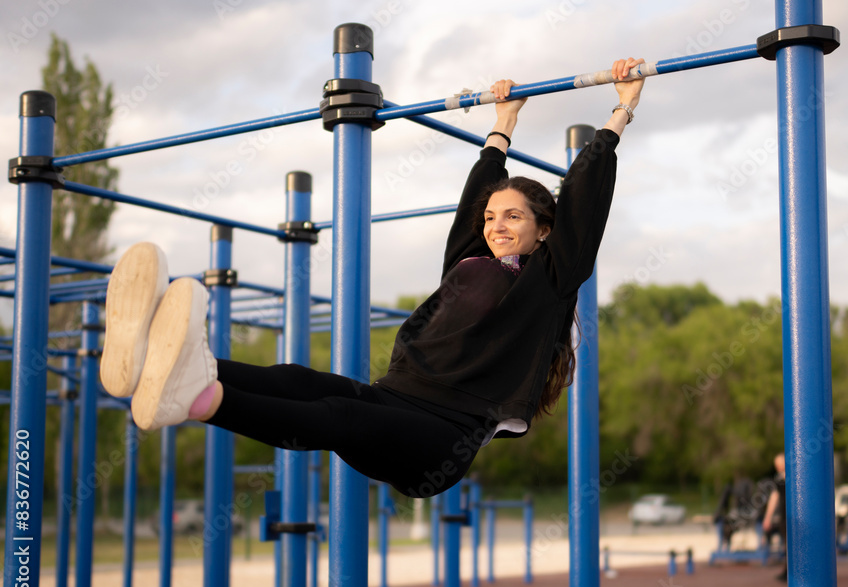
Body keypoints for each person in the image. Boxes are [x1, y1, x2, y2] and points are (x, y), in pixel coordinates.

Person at [99, 58, 646, 499]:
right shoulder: (469, 264)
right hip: (394, 395)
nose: (496, 227)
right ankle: (157, 361)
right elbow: (474, 198)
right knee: (299, 380)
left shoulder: (551, 281)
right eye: (492, 218)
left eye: (513, 218)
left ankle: (198, 397)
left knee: (335, 417)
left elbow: (583, 202)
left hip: (444, 438)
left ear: (544, 231)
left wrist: (619, 113)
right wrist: (504, 122)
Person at [761, 452, 786, 582]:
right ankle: (788, 571)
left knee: (791, 543)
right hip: (784, 515)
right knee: (786, 544)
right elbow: (774, 497)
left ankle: (789, 571)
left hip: (792, 514)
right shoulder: (779, 478)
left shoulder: (795, 475)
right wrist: (768, 517)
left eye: (780, 464)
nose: (778, 467)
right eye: (776, 465)